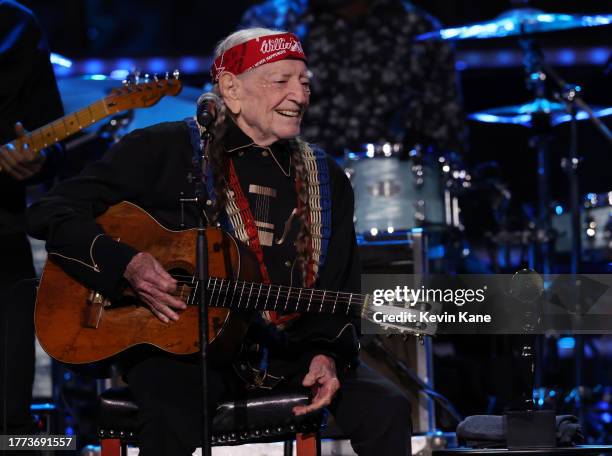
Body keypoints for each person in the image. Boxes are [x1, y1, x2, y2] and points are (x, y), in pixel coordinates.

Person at [28, 28, 412, 455]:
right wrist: (126, 264)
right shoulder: (164, 148)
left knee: (388, 408)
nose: (299, 95)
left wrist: (327, 354)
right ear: (230, 86)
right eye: (280, 81)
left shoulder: (326, 179)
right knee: (172, 411)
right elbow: (51, 210)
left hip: (286, 350)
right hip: (177, 347)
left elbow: (338, 287)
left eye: (304, 82)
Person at [240, 0, 467, 155]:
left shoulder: (419, 30)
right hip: (286, 195)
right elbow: (233, 117)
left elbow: (447, 136)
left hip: (391, 200)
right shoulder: (270, 22)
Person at [0, 0, 65, 439]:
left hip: (2, 236)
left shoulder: (15, 25)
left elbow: (51, 138)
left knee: (12, 419)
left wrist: (38, 159)